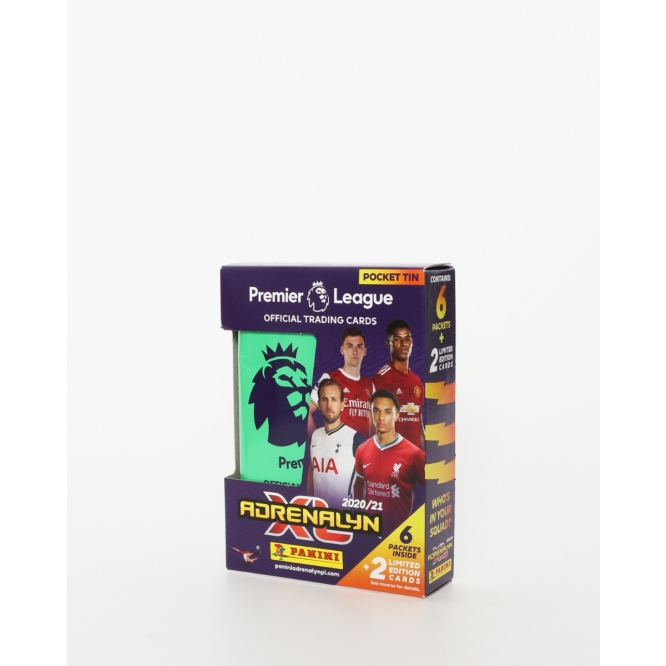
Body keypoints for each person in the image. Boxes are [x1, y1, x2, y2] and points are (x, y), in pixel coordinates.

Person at [353, 389, 425, 535]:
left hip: (399, 536)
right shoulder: (362, 449)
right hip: (370, 533)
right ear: (371, 414)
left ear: (396, 415)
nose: (381, 417)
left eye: (387, 412)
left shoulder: (413, 453)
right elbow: (359, 484)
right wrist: (359, 517)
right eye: (376, 411)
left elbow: (433, 490)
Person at [307, 378, 365, 508]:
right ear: (319, 404)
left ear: (342, 405)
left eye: (334, 399)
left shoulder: (357, 439)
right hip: (317, 515)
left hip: (343, 515)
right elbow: (312, 469)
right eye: (324, 399)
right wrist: (310, 502)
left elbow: (367, 483)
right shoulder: (315, 436)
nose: (329, 405)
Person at [307, 327, 374, 438]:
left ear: (364, 351)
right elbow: (306, 410)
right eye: (349, 346)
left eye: (359, 346)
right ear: (342, 350)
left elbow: (372, 422)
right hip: (337, 448)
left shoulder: (370, 385)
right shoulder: (330, 378)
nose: (355, 351)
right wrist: (317, 441)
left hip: (363, 448)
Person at [372, 319, 425, 448]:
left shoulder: (417, 381)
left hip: (414, 455)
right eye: (397, 339)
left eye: (407, 339)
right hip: (391, 454)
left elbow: (419, 425)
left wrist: (425, 454)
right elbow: (372, 425)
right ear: (388, 343)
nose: (404, 344)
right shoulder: (381, 379)